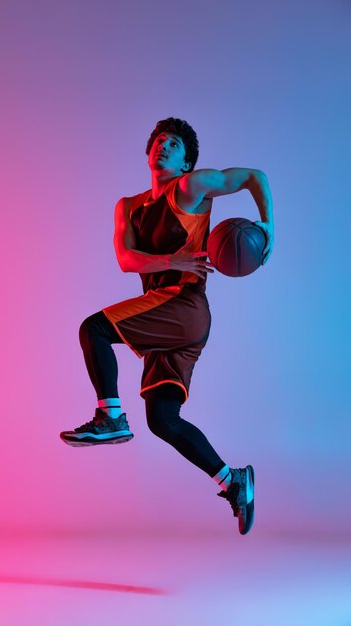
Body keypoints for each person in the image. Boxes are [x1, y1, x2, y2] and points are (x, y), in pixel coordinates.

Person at [60, 118, 274, 535]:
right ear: (148, 153)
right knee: (162, 419)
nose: (163, 146)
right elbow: (127, 261)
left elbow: (254, 177)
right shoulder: (128, 206)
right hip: (164, 310)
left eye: (173, 144)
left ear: (185, 161)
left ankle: (110, 418)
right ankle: (233, 481)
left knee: (94, 329)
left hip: (184, 305)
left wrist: (269, 228)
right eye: (158, 141)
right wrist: (171, 260)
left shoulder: (191, 188)